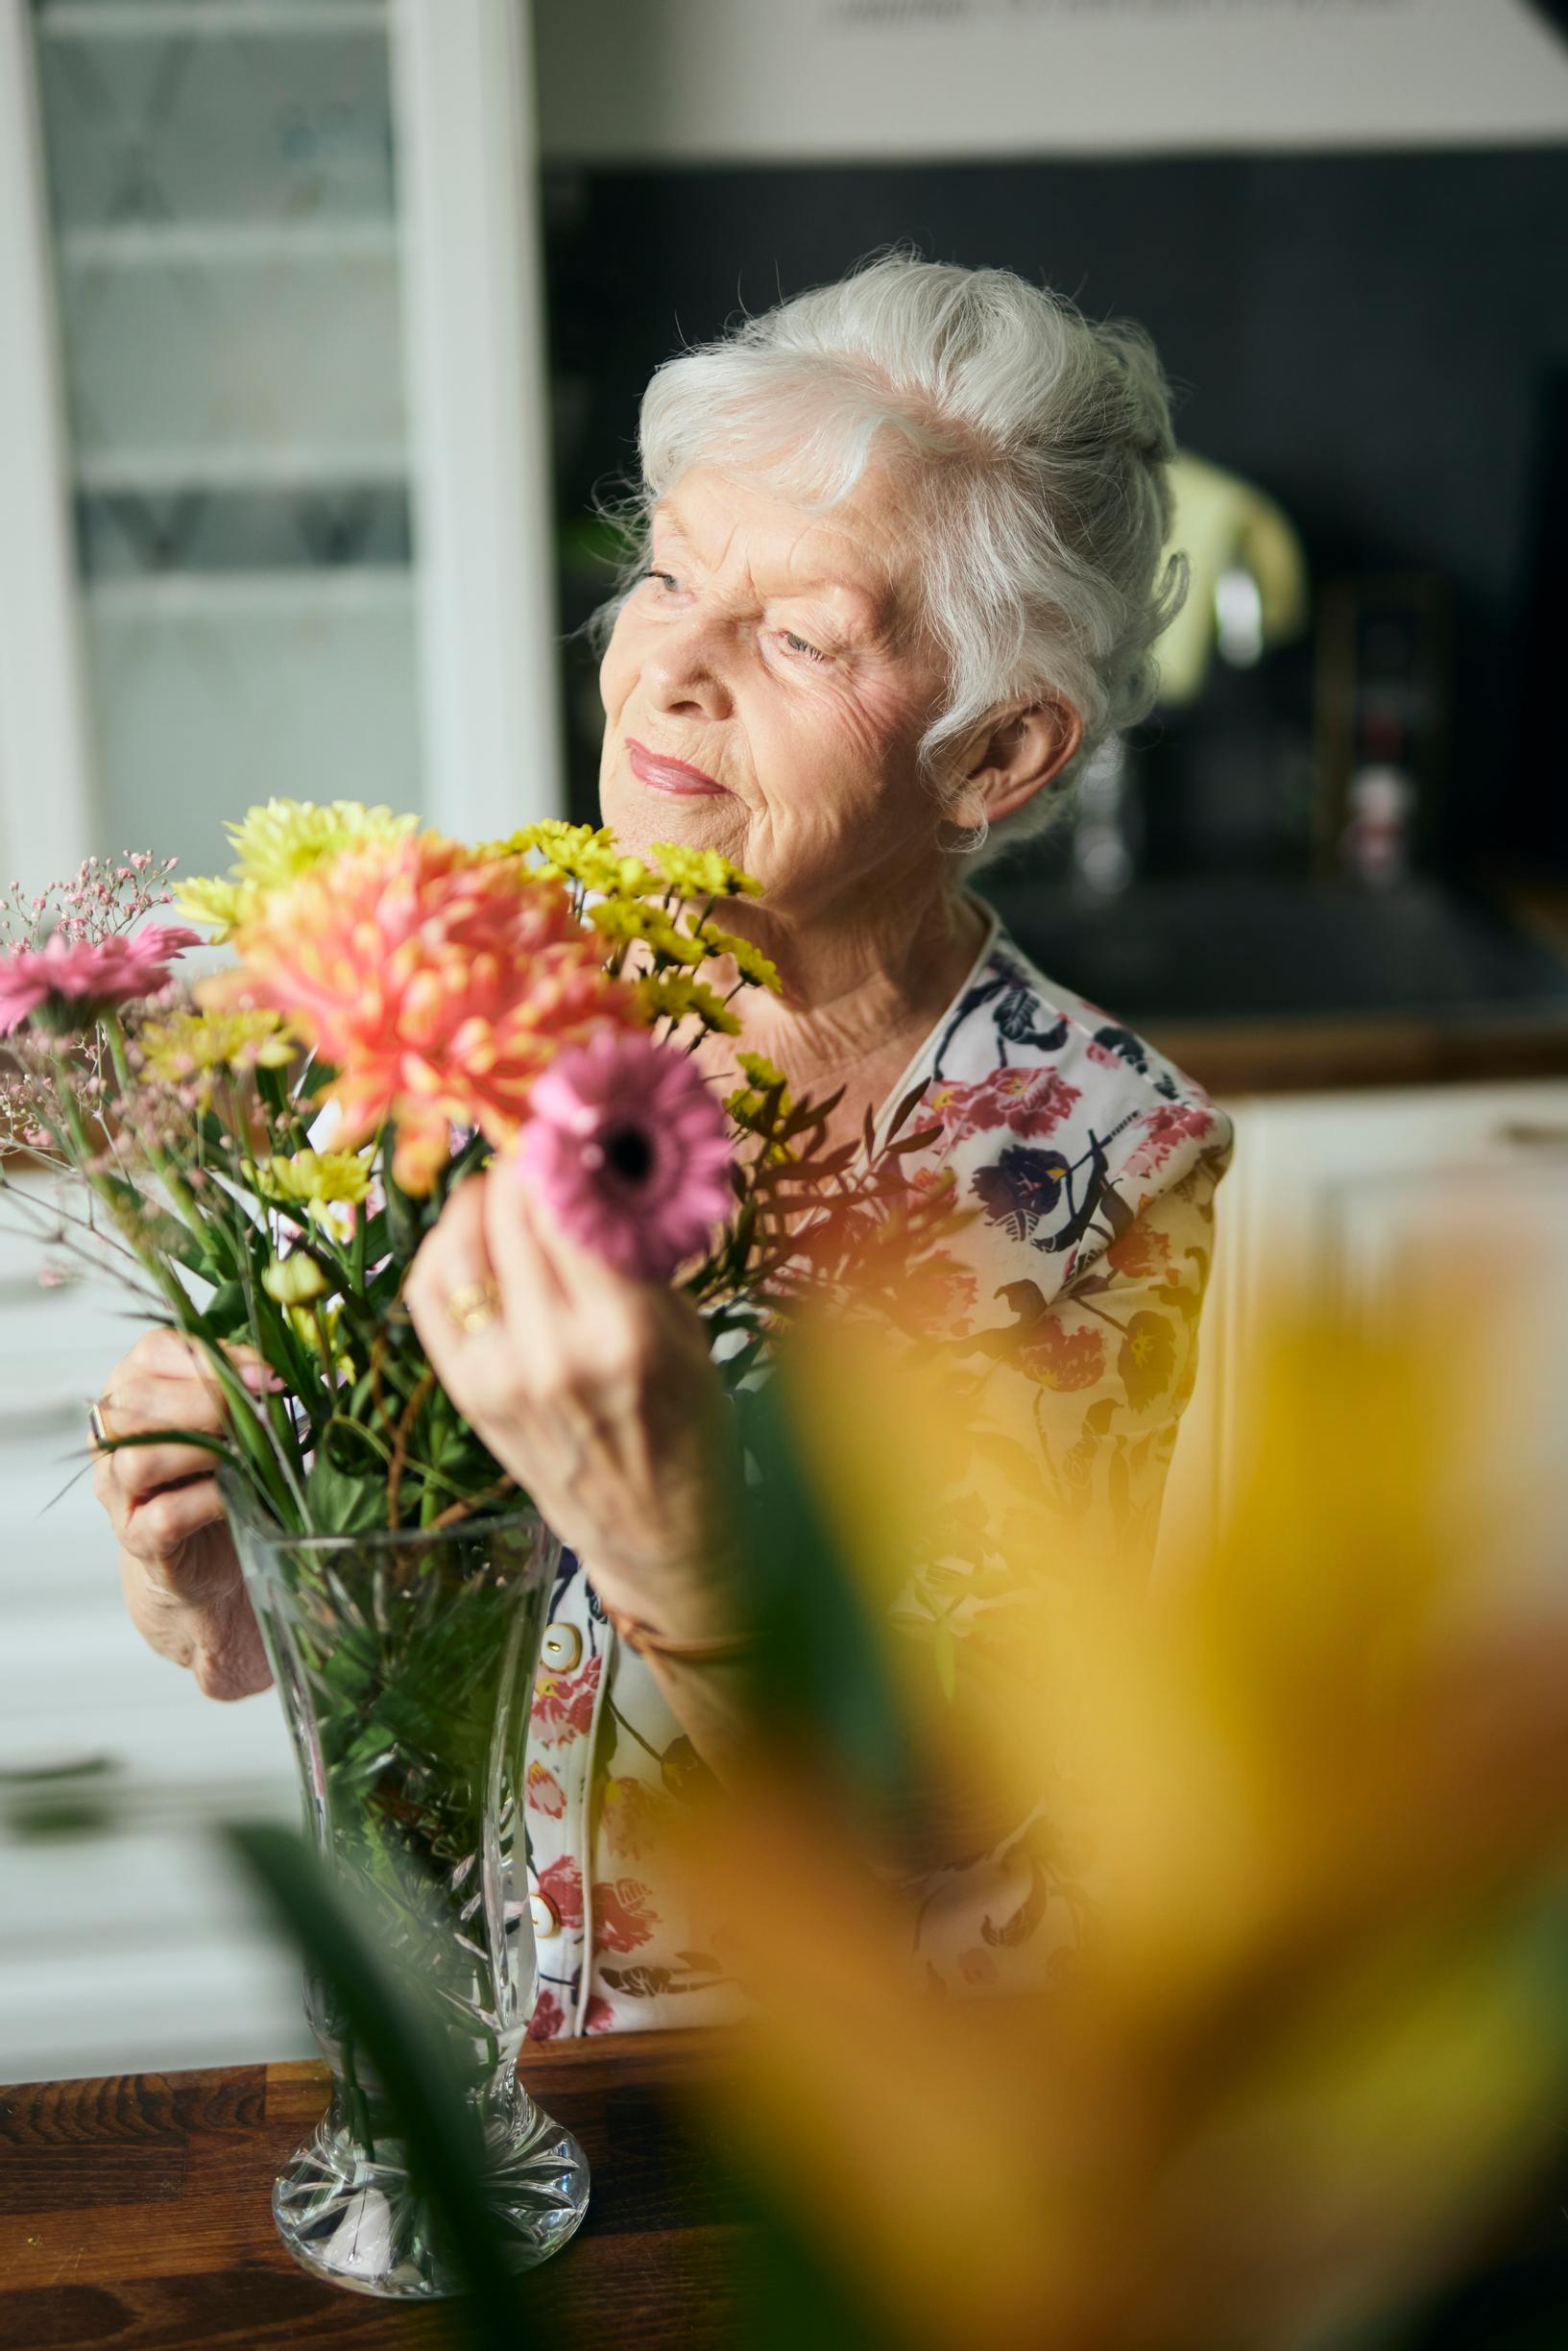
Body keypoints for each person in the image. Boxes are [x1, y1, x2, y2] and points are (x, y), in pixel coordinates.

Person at [91, 249, 1234, 2037]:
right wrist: (222, 1561)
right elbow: (331, 1632)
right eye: (666, 576)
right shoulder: (470, 999)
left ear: (995, 750)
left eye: (798, 635)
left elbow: (966, 1816)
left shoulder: (1098, 1154)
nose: (667, 671)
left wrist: (683, 1554)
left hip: (845, 2098)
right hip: (476, 2041)